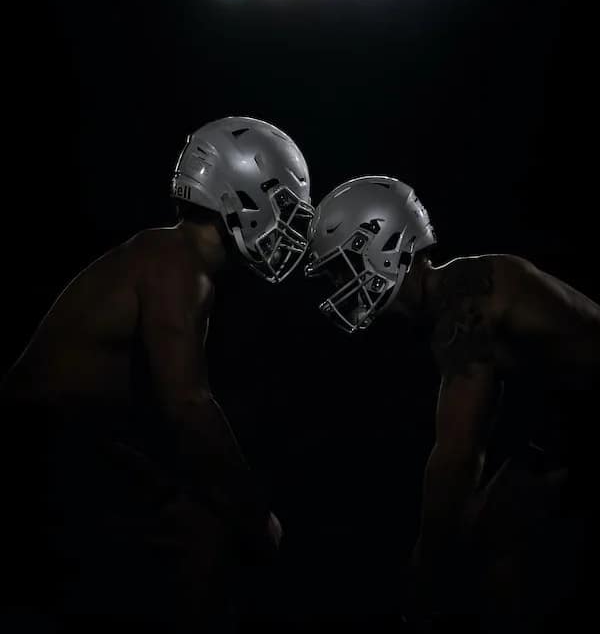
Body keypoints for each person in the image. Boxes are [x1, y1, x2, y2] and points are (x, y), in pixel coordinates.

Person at [1, 116, 313, 632]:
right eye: (282, 206)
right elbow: (188, 406)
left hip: (63, 444)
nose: (287, 227)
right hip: (37, 448)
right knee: (204, 534)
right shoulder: (176, 260)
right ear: (240, 197)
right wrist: (255, 513)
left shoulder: (174, 262)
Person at [305, 175, 600, 630]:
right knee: (486, 543)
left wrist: (424, 570)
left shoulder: (463, 303)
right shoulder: (455, 300)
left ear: (379, 241)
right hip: (565, 425)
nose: (341, 284)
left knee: (474, 555)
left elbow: (459, 455)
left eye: (342, 267)